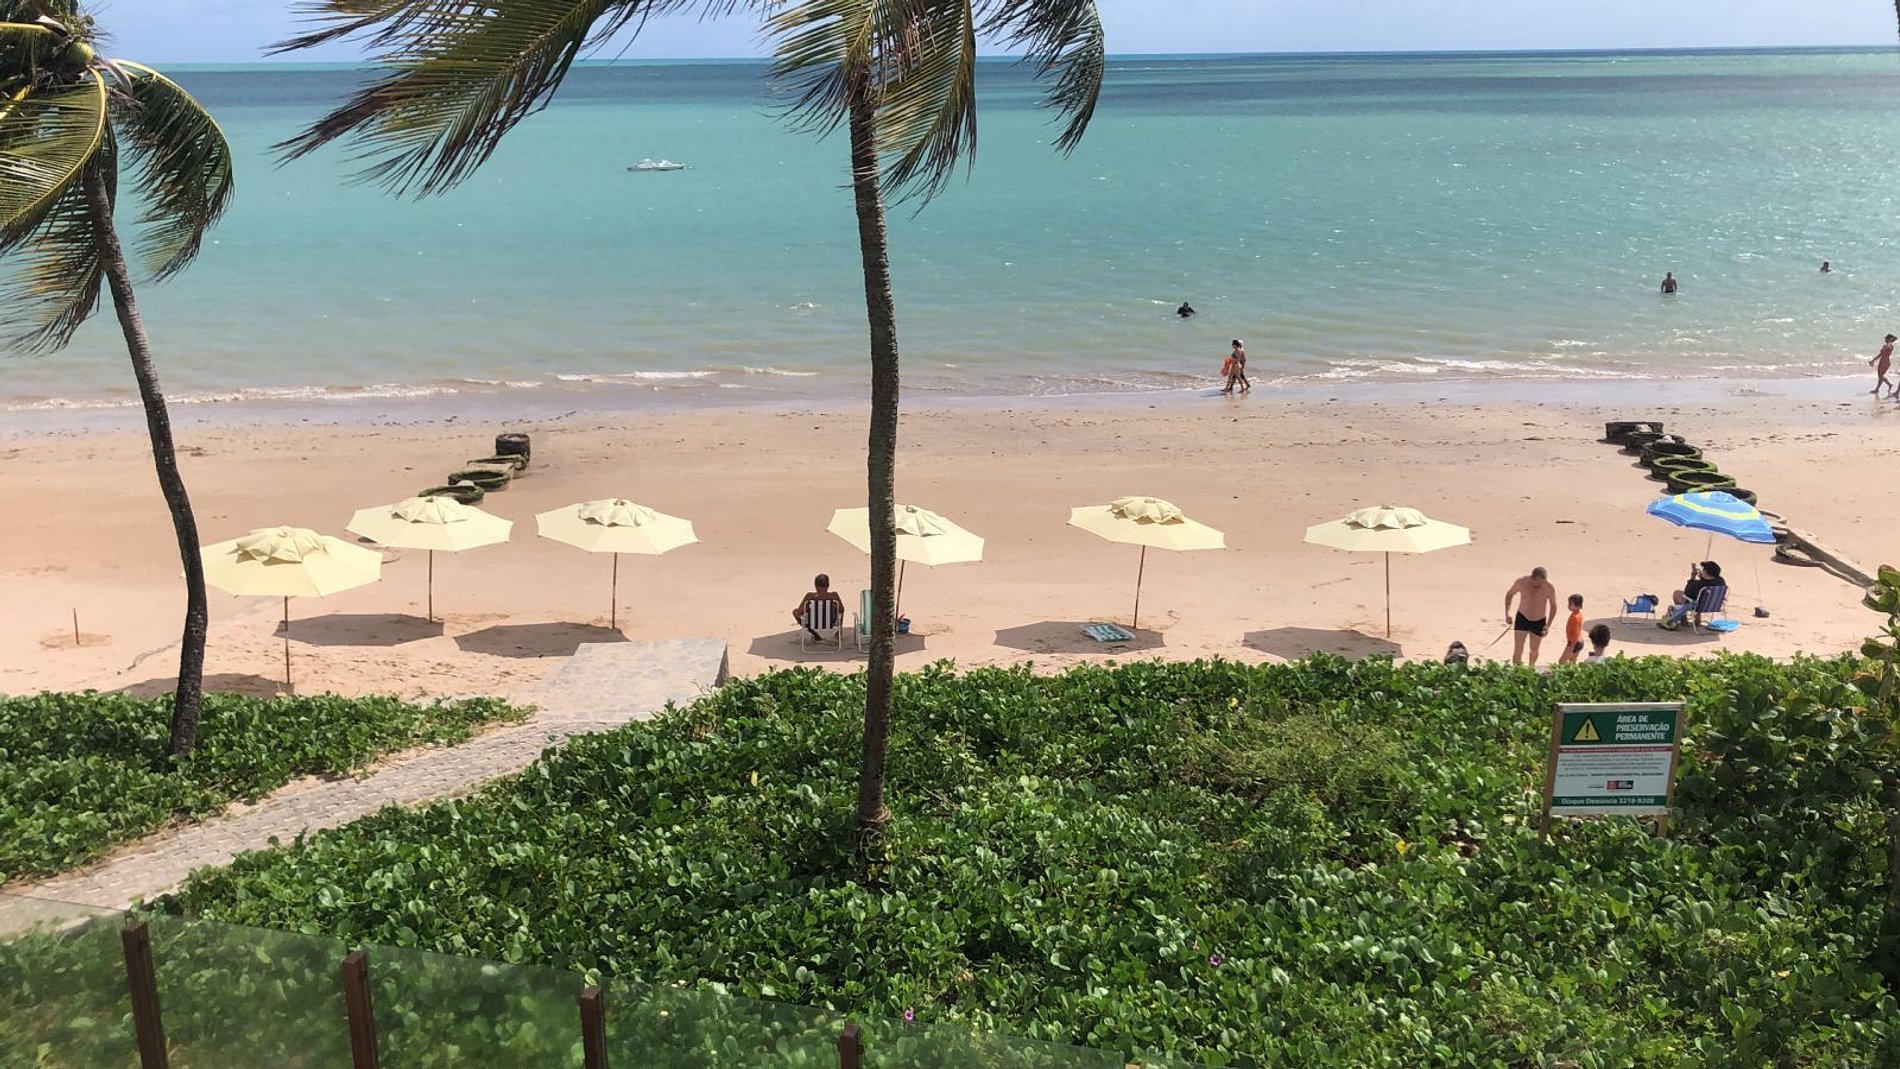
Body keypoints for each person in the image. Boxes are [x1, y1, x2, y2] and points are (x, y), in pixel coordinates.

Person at [1504, 566, 1560, 666]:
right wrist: (1507, 613)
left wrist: (1548, 625)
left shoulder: (1548, 587)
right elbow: (1510, 594)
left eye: (1541, 582)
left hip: (1539, 620)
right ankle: (1516, 670)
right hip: (1522, 617)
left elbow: (1553, 606)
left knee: (1534, 650)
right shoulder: (1521, 582)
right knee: (1518, 649)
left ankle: (1531, 668)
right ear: (1532, 578)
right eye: (1537, 582)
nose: (1539, 585)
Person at [1660, 561, 1725, 630]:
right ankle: (1697, 618)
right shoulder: (1721, 581)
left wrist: (1693, 576)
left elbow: (1687, 592)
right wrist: (1702, 578)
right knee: (1701, 597)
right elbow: (1709, 582)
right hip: (1715, 605)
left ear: (1706, 572)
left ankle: (1683, 619)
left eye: (1703, 570)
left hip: (1698, 606)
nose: (1702, 571)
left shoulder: (1699, 585)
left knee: (1677, 594)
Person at [791, 573, 845, 641]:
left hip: (812, 623)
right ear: (828, 585)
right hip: (831, 622)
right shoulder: (834, 596)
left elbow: (799, 613)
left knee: (795, 612)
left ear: (815, 585)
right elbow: (842, 610)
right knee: (840, 612)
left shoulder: (809, 596)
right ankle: (839, 632)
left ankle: (814, 634)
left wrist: (798, 611)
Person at [1557, 594, 1586, 665]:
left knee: (1562, 662)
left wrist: (1571, 647)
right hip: (1580, 641)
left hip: (1574, 642)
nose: (1568, 605)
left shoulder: (1574, 617)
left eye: (1570, 604)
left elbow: (1575, 634)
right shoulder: (1579, 614)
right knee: (1572, 663)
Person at [1871, 334, 1895, 398]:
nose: (1885, 340)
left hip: (1886, 362)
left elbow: (1889, 348)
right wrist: (1873, 360)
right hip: (1881, 361)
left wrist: (1890, 341)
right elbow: (1880, 354)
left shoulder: (1891, 346)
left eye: (1886, 338)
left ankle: (1878, 389)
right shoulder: (1884, 346)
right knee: (1880, 376)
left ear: (1889, 339)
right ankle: (1887, 385)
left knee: (1881, 376)